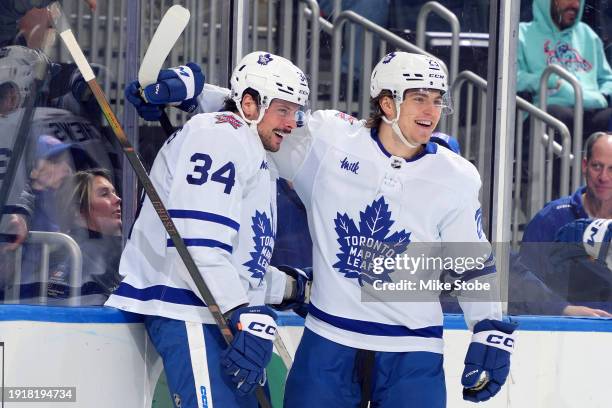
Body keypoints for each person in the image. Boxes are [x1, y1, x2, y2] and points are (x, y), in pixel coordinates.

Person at [132, 52, 516, 407]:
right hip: (329, 342)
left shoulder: (457, 176)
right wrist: (190, 95)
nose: (432, 111)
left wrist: (488, 326)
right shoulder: (329, 142)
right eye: (419, 98)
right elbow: (259, 112)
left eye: (437, 99)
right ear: (387, 103)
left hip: (413, 350)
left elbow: (471, 261)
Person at [105, 52, 311, 407]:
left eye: (295, 112)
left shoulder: (249, 146)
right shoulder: (220, 136)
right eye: (283, 110)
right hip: (191, 311)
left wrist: (292, 288)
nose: (292, 123)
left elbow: (240, 263)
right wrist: (239, 311)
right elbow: (199, 246)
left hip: (215, 313)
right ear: (250, 104)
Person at [518, 131, 612, 316]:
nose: (604, 177)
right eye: (597, 166)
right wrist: (562, 310)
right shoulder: (550, 219)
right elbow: (524, 286)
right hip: (562, 334)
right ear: (584, 165)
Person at [517, 0, 612, 138]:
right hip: (549, 109)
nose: (575, 5)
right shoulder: (523, 33)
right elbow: (513, 76)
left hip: (590, 108)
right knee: (557, 116)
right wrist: (549, 81)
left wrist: (603, 95)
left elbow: (607, 78)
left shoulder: (587, 35)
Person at [46, 168, 122, 305]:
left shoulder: (121, 250)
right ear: (78, 211)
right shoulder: (71, 254)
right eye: (105, 194)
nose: (117, 199)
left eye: (114, 193)